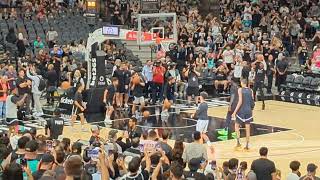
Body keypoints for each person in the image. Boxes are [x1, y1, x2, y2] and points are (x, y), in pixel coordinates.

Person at [232, 78, 254, 150]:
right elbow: (252, 102)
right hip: (249, 111)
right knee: (248, 128)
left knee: (236, 126)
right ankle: (247, 145)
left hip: (242, 110)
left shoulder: (240, 89)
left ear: (242, 83)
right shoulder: (251, 90)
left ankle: (238, 143)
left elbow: (240, 101)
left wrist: (235, 112)